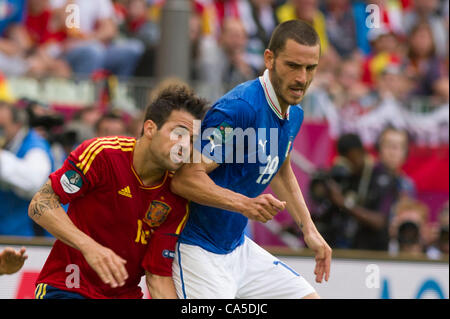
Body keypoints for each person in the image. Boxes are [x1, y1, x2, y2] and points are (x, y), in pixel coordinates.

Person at [171, 20, 331, 299]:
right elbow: (185, 178)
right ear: (269, 59)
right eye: (293, 66)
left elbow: (281, 170)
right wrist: (246, 205)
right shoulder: (239, 110)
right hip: (197, 248)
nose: (302, 78)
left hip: (237, 247)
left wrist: (310, 231)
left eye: (310, 68)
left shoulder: (294, 113)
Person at [28, 86, 207, 299]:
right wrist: (89, 247)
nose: (185, 146)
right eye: (179, 134)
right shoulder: (102, 154)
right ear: (150, 128)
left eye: (192, 140)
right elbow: (41, 203)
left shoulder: (178, 196)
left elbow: (157, 276)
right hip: (67, 288)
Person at [0, 101, 54, 237]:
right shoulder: (9, 144)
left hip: (30, 239)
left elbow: (33, 184)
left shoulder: (36, 147)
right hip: (9, 232)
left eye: (1, 127)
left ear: (17, 125)